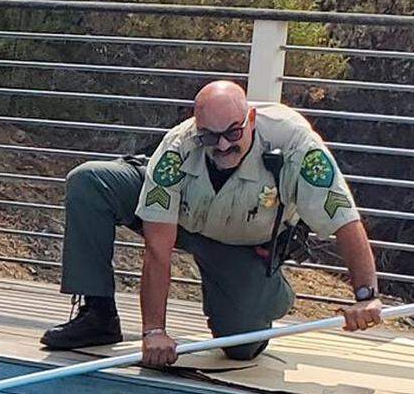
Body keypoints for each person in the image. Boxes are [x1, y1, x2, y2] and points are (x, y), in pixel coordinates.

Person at [41, 80, 383, 366]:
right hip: (184, 221)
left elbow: (343, 217)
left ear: (250, 118)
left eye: (233, 134)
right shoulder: (177, 148)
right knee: (89, 182)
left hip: (242, 245)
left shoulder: (294, 143)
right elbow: (157, 250)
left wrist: (365, 295)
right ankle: (97, 316)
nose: (222, 146)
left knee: (241, 348)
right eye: (209, 137)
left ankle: (272, 294)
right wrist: (154, 332)